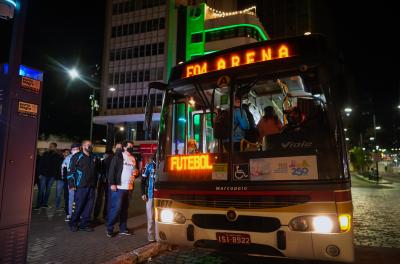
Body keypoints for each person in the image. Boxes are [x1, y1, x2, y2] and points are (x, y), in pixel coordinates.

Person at [106, 141, 138, 237]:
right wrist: (112, 183)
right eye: (129, 146)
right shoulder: (118, 157)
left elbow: (133, 171)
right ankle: (109, 228)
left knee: (124, 209)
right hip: (119, 187)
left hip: (129, 188)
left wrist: (136, 173)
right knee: (116, 209)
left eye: (132, 146)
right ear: (124, 147)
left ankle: (123, 229)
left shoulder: (133, 158)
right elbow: (112, 171)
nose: (131, 148)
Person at [68, 140, 98, 232]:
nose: (90, 146)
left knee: (89, 207)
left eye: (91, 145)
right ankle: (73, 223)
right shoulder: (77, 156)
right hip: (80, 186)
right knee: (78, 206)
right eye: (88, 145)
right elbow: (70, 172)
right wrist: (72, 184)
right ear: (83, 146)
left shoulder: (93, 157)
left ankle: (84, 224)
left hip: (91, 186)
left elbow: (95, 172)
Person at [36, 142, 63, 209]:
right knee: (41, 190)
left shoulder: (57, 155)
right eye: (50, 146)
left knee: (48, 190)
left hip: (52, 176)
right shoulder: (45, 154)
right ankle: (38, 204)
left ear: (55, 147)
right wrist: (39, 174)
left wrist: (56, 176)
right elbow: (40, 164)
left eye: (52, 146)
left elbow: (58, 166)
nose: (50, 147)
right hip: (43, 175)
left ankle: (45, 204)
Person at [93, 150, 114, 222]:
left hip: (102, 181)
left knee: (99, 198)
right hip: (109, 182)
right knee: (108, 199)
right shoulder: (113, 161)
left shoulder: (102, 161)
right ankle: (106, 215)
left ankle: (96, 215)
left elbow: (97, 170)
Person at [61, 143, 81, 221]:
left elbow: (62, 170)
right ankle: (72, 214)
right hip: (73, 182)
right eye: (74, 149)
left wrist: (64, 178)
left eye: (76, 149)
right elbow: (63, 169)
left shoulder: (68, 158)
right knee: (73, 198)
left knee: (73, 198)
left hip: (73, 181)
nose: (75, 150)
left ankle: (71, 214)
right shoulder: (69, 158)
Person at [141, 155, 156, 242]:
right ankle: (150, 234)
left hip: (160, 195)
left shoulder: (164, 165)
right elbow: (143, 181)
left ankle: (160, 234)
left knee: (160, 216)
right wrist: (143, 193)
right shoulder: (149, 166)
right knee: (150, 217)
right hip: (150, 195)